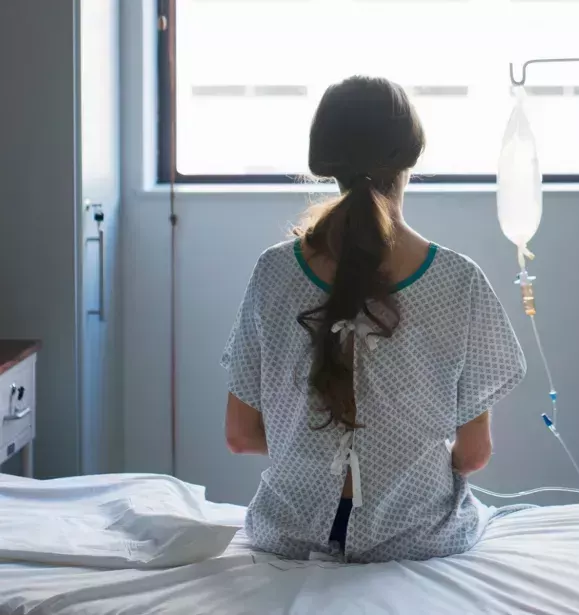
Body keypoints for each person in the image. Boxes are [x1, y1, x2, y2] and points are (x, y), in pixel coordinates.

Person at [220, 76, 527, 563]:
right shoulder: (458, 281)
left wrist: (310, 451)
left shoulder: (273, 273)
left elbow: (241, 436)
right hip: (417, 538)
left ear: (325, 161)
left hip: (289, 537)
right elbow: (473, 456)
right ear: (410, 158)